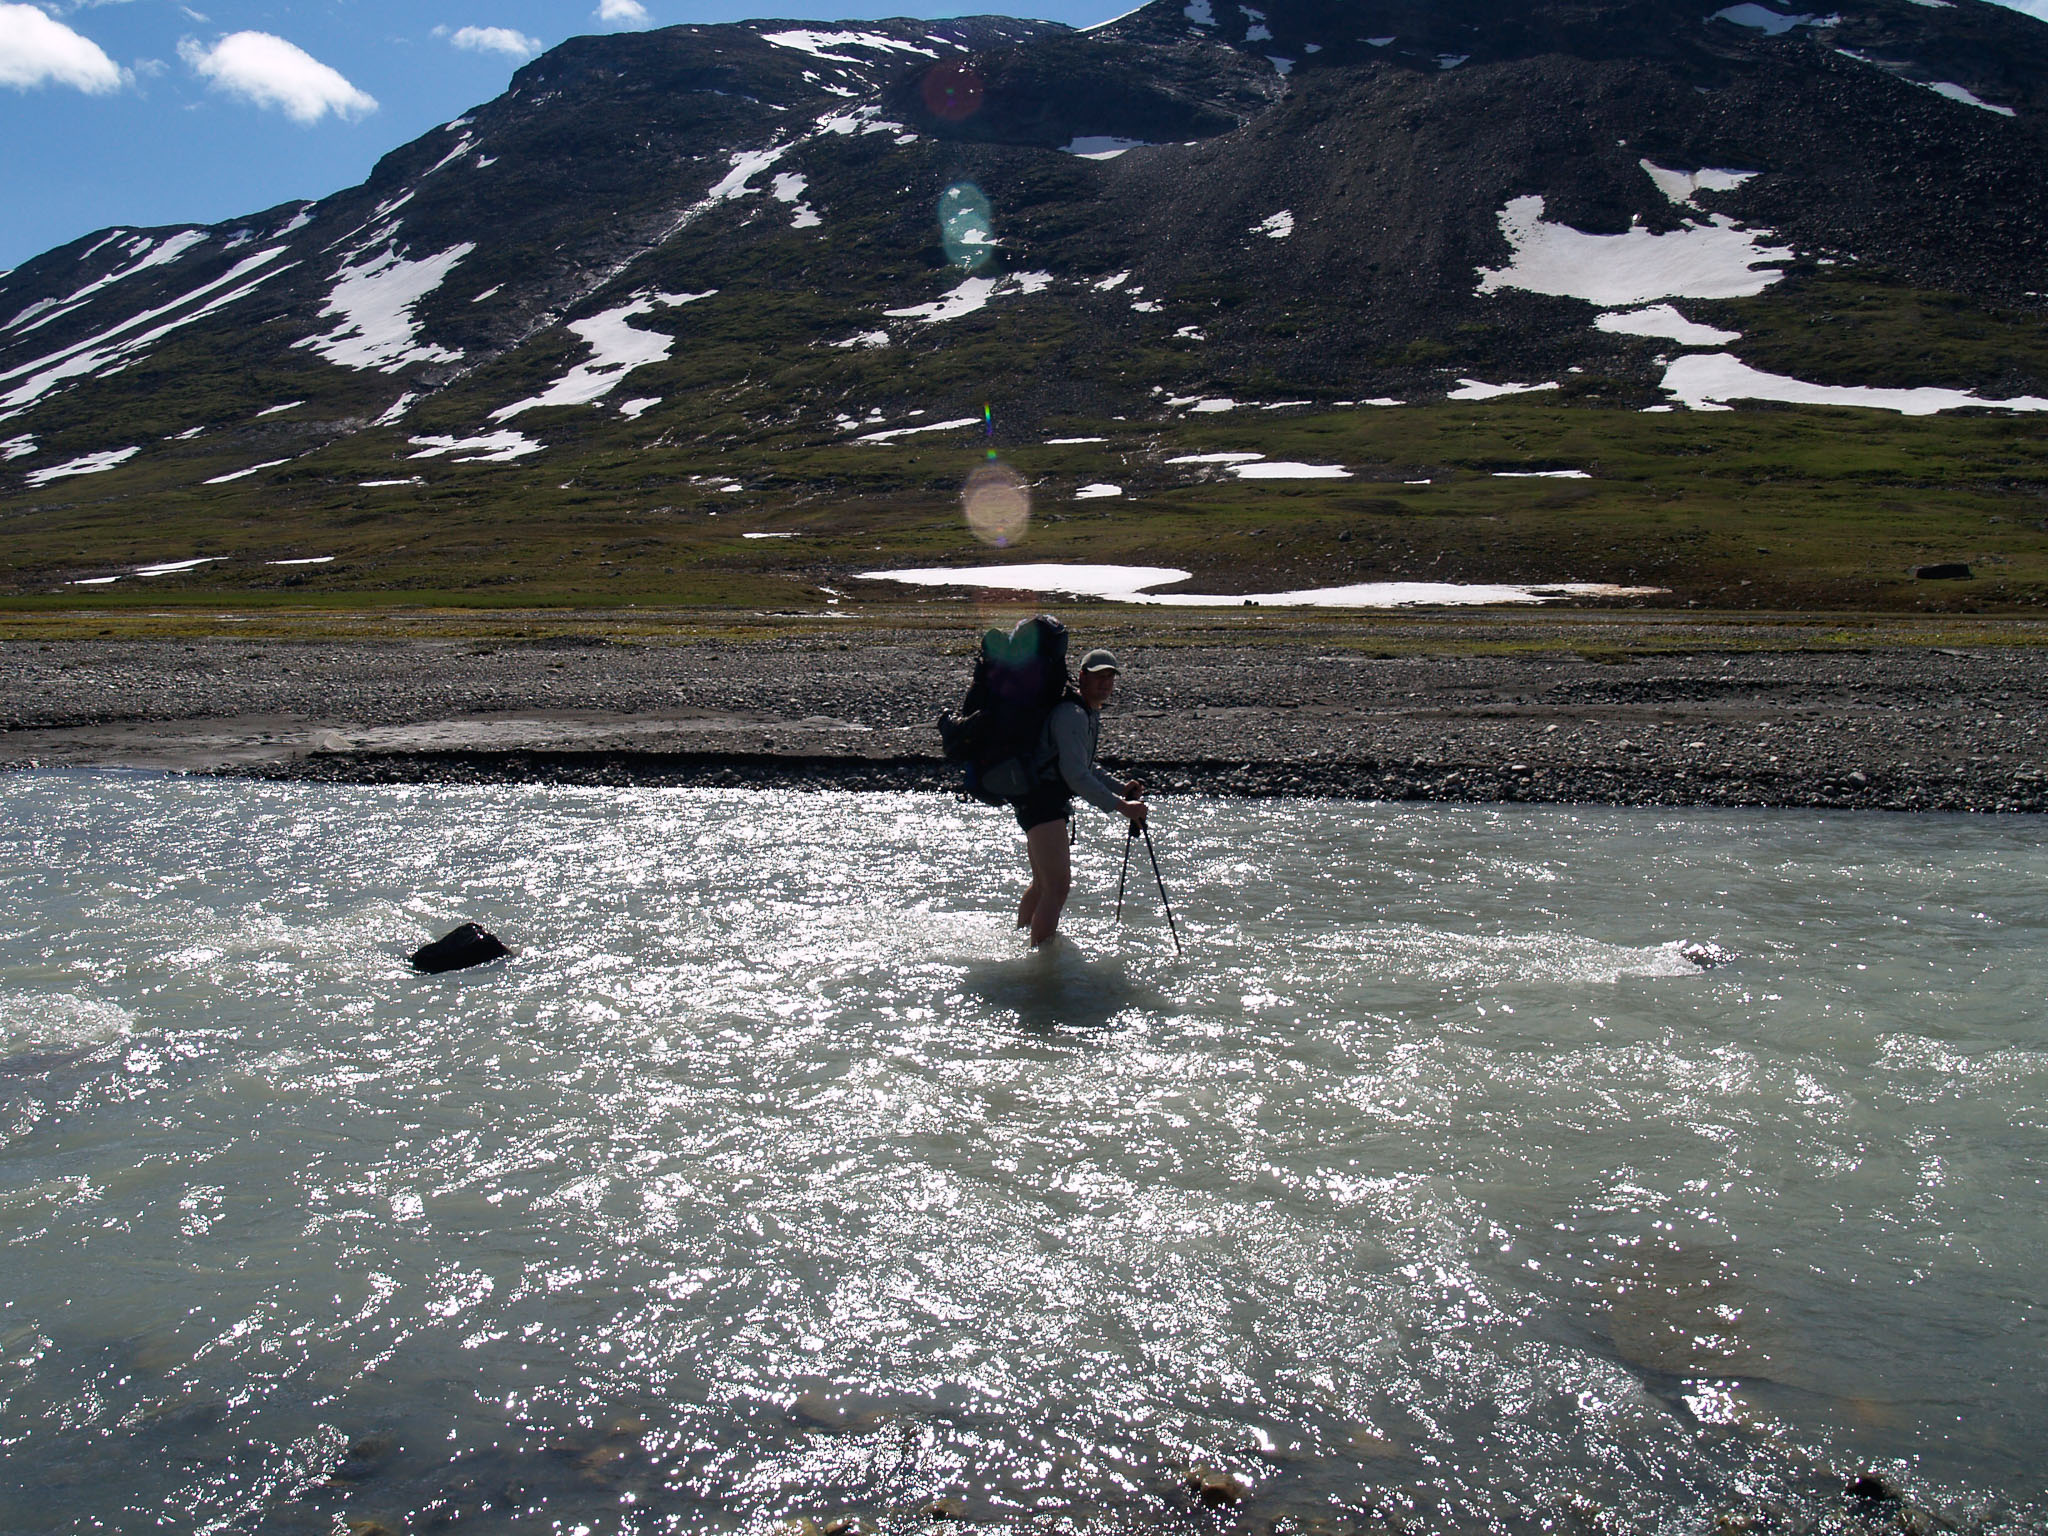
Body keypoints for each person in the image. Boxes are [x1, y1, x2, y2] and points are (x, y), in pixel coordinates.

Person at [1014, 648, 1147, 947]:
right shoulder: (1072, 714)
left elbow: (1083, 764)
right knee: (1057, 889)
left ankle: (1023, 942)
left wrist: (1118, 787)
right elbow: (1074, 774)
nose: (1105, 683)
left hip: (1038, 799)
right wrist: (1121, 806)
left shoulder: (1085, 711)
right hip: (1042, 803)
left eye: (1110, 677)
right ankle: (1042, 969)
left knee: (1042, 885)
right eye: (1099, 677)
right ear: (1082, 677)